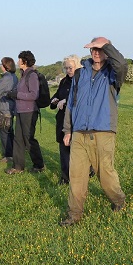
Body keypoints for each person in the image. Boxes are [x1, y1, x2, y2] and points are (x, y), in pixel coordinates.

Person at [60, 37, 128, 227]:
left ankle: (118, 201)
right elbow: (71, 104)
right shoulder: (80, 74)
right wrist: (68, 130)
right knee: (76, 176)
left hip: (103, 130)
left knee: (105, 174)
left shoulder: (113, 74)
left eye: (100, 49)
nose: (96, 53)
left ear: (107, 50)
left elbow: (122, 64)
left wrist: (105, 45)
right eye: (94, 49)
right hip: (79, 133)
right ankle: (74, 214)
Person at [4, 50, 45, 174]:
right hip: (21, 110)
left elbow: (34, 94)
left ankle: (39, 165)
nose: (17, 61)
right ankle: (17, 167)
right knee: (18, 139)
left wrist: (18, 94)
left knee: (28, 139)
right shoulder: (23, 74)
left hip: (29, 111)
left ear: (24, 61)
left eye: (19, 59)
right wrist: (13, 94)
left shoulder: (31, 75)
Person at [49, 55, 82, 184]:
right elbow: (56, 96)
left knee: (78, 149)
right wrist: (55, 100)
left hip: (77, 119)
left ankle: (86, 171)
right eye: (66, 68)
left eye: (70, 67)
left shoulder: (81, 80)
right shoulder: (63, 81)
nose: (68, 70)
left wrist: (66, 101)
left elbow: (82, 99)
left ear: (77, 66)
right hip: (62, 119)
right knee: (64, 149)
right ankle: (65, 177)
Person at [0, 57, 18, 163]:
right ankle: (13, 151)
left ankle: (8, 155)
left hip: (5, 106)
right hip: (11, 106)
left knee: (4, 131)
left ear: (6, 66)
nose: (0, 66)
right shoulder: (14, 76)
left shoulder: (6, 77)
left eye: (2, 64)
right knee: (10, 131)